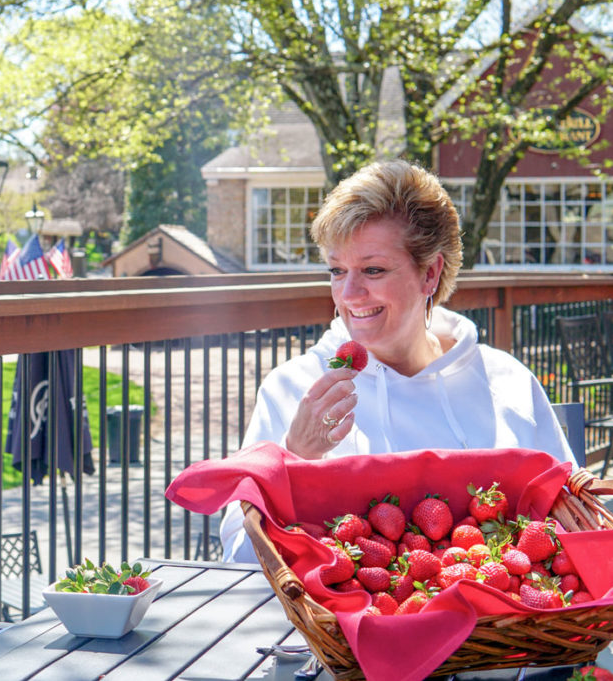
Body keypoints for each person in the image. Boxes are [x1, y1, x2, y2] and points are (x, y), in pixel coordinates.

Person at [219, 160, 576, 563]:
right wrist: (294, 459)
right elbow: (240, 557)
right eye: (337, 270)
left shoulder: (507, 382)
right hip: (337, 626)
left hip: (501, 624)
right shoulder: (294, 388)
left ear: (430, 274)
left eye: (373, 269)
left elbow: (575, 527)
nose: (350, 293)